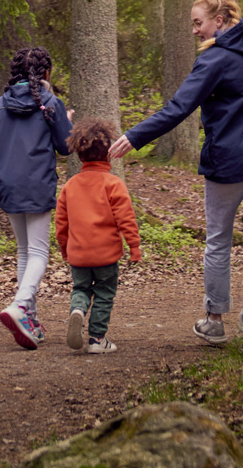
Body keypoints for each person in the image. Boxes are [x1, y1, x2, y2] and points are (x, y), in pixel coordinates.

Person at [108, 0, 243, 344]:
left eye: (198, 23)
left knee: (219, 241)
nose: (194, 30)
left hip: (230, 164)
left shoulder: (215, 58)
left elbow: (179, 108)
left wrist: (135, 136)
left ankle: (215, 321)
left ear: (219, 20)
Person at [0, 47, 74, 350]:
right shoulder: (50, 103)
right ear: (46, 74)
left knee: (23, 252)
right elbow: (66, 146)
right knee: (38, 252)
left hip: (8, 188)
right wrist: (66, 119)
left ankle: (29, 319)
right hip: (38, 187)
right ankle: (20, 306)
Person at [56, 118, 141, 354]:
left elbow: (61, 223)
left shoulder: (70, 186)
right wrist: (134, 247)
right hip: (106, 255)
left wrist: (65, 248)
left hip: (79, 255)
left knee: (81, 288)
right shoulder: (113, 184)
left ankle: (78, 310)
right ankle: (96, 339)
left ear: (80, 156)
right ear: (108, 155)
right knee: (104, 292)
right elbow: (126, 219)